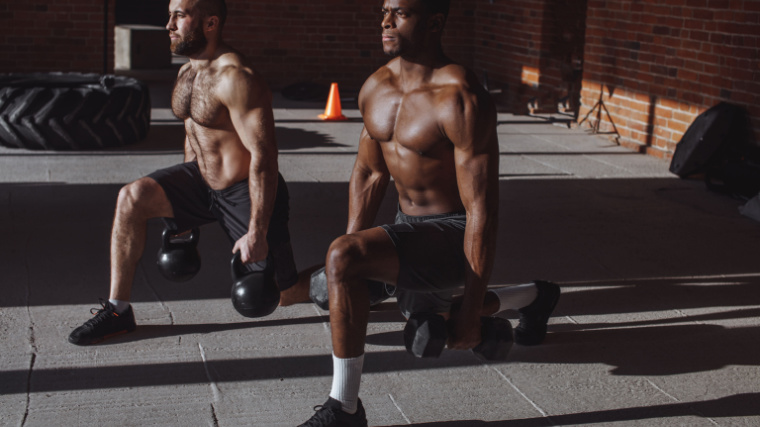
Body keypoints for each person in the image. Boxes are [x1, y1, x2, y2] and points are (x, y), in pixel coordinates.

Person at [298, 0, 561, 425]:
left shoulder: (460, 95)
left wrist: (473, 308)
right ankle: (534, 296)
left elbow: (482, 210)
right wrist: (347, 254)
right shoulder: (375, 87)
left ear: (435, 22)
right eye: (384, 10)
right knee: (340, 285)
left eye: (399, 12)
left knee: (349, 264)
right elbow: (368, 172)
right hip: (410, 231)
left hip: (452, 233)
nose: (385, 21)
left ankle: (344, 409)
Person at [68, 0, 310, 346]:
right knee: (131, 197)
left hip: (244, 190)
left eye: (179, 15)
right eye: (170, 15)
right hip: (200, 180)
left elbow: (265, 156)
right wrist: (183, 205)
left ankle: (355, 275)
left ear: (210, 23)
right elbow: (192, 133)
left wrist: (257, 230)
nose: (169, 24)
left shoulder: (237, 78)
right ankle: (118, 309)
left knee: (284, 293)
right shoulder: (187, 72)